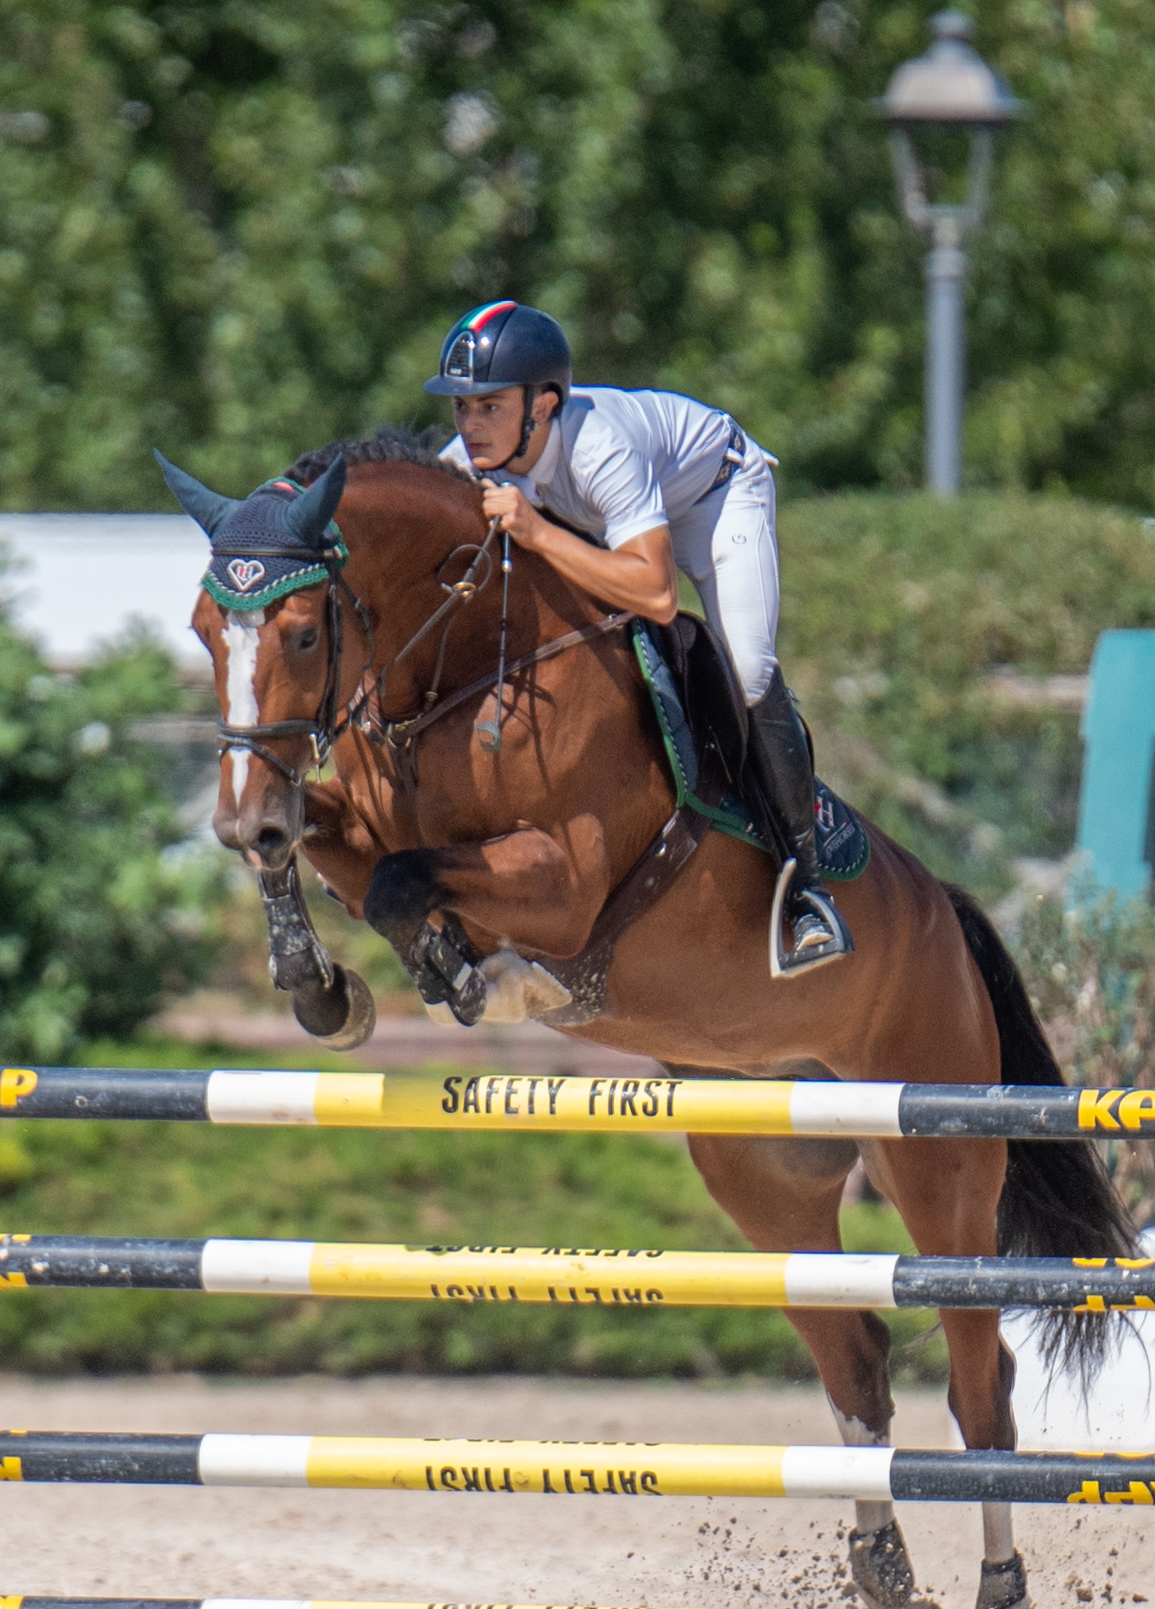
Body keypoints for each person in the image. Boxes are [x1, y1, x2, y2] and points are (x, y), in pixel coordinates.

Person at [426, 299, 851, 973]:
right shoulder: (467, 461)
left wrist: (536, 533)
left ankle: (804, 880)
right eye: (462, 407)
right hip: (613, 525)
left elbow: (656, 595)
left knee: (746, 669)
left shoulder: (599, 446)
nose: (471, 426)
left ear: (541, 406)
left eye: (490, 406)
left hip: (713, 498)